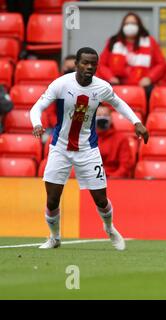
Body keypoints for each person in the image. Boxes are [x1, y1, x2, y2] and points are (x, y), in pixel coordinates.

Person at [30, 47, 149, 250]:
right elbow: (37, 107)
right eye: (85, 63)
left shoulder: (101, 87)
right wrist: (37, 124)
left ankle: (109, 228)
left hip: (88, 150)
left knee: (101, 200)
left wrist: (136, 122)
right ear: (76, 64)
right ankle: (54, 237)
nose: (89, 67)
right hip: (60, 148)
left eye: (93, 63)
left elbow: (119, 104)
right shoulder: (60, 84)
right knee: (52, 199)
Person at [97, 12, 166, 99]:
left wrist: (149, 78)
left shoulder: (150, 41)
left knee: (153, 93)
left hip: (142, 85)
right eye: (127, 23)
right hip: (117, 83)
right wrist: (110, 77)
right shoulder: (113, 41)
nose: (130, 26)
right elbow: (102, 64)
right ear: (122, 26)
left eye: (133, 23)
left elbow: (161, 64)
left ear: (139, 25)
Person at [96, 105, 135, 178]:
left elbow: (125, 166)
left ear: (111, 119)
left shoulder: (121, 139)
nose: (102, 118)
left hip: (114, 180)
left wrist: (113, 178)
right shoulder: (87, 139)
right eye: (99, 115)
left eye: (105, 115)